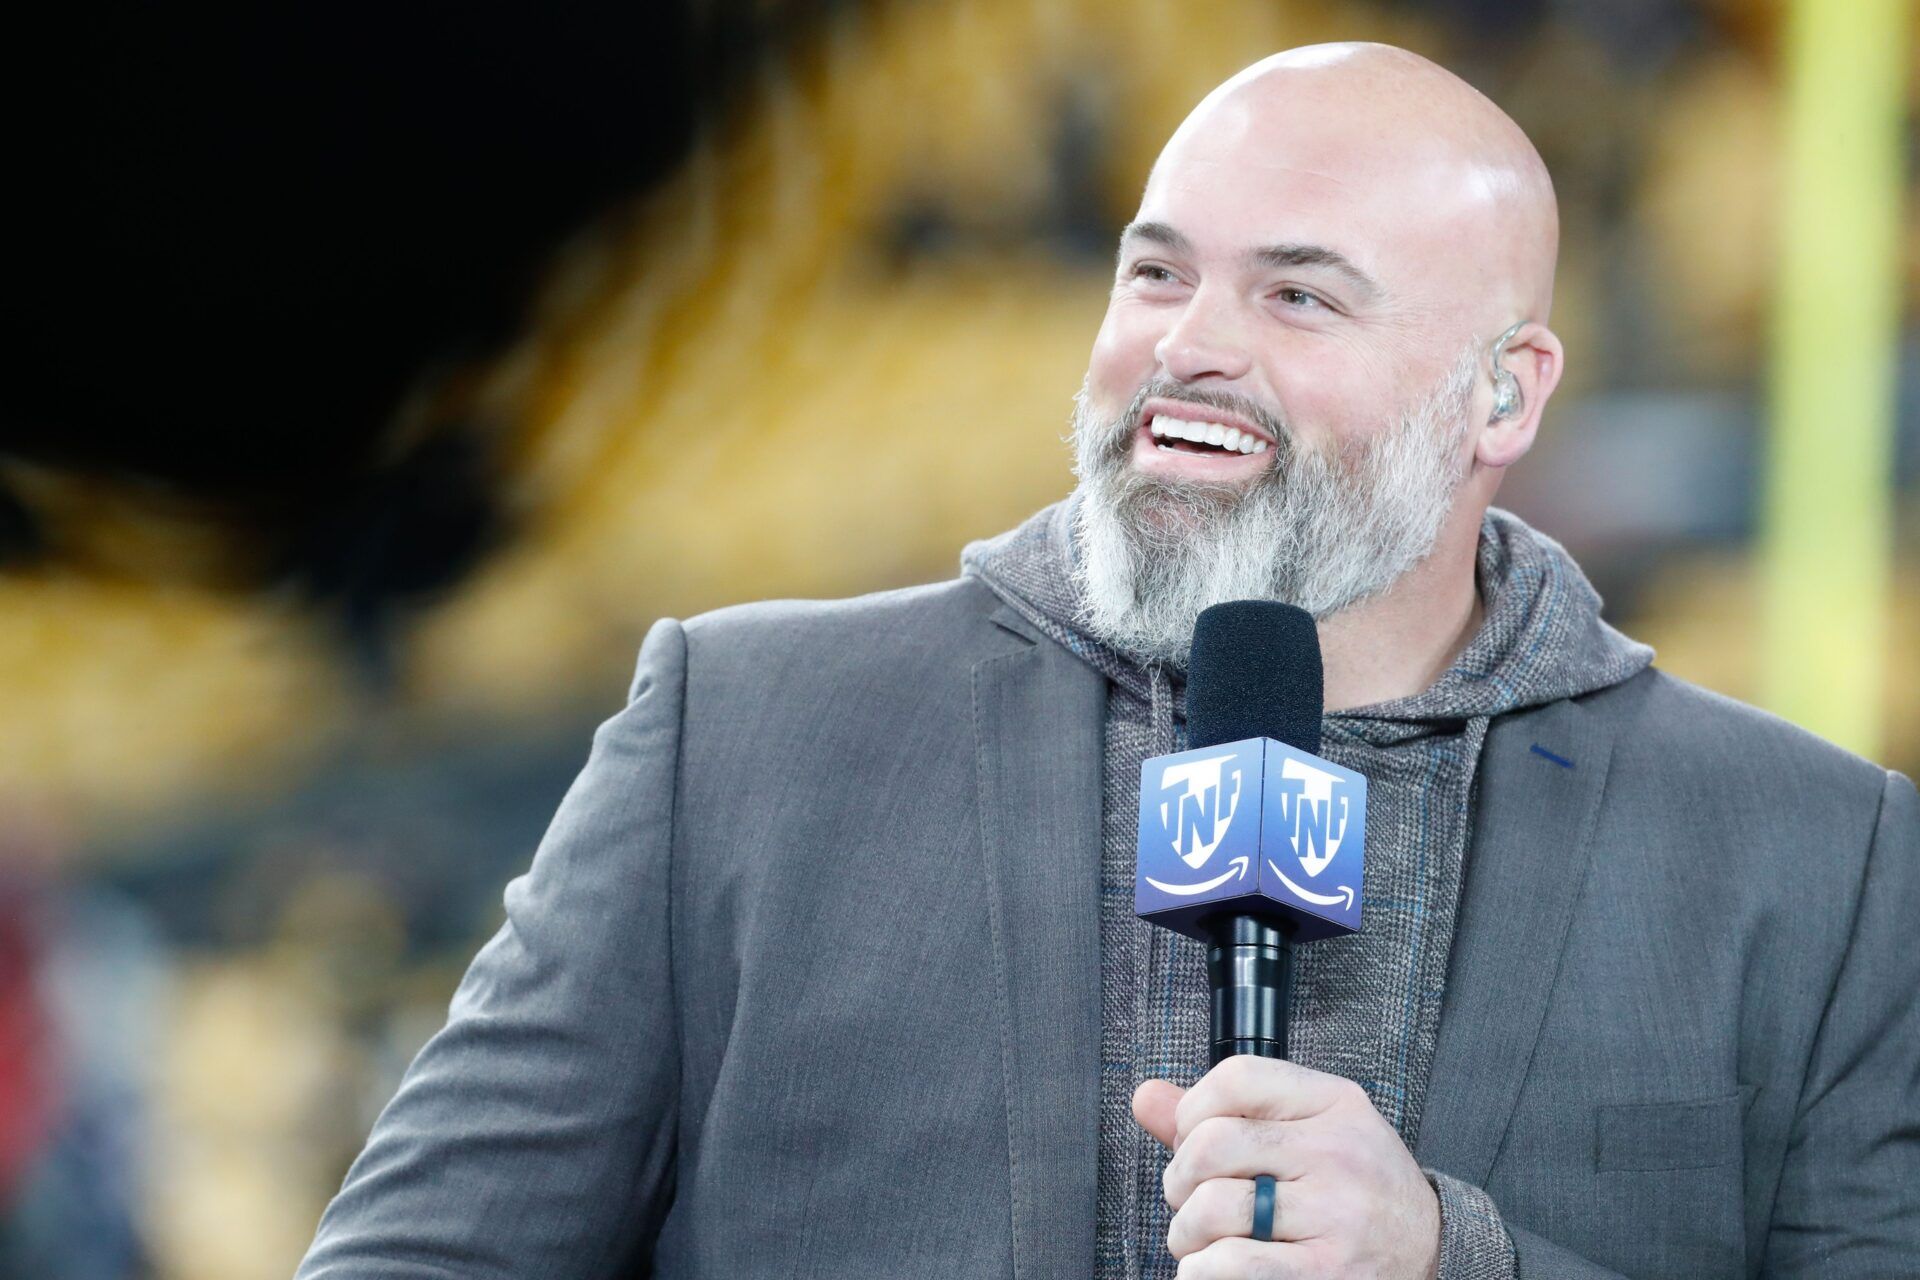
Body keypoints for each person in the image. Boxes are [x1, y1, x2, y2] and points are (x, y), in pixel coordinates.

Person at [296, 43, 1919, 1279]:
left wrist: (1449, 1258)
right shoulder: (743, 737)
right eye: (1157, 270)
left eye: (1299, 294)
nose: (1187, 343)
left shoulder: (1819, 858)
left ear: (1505, 396)